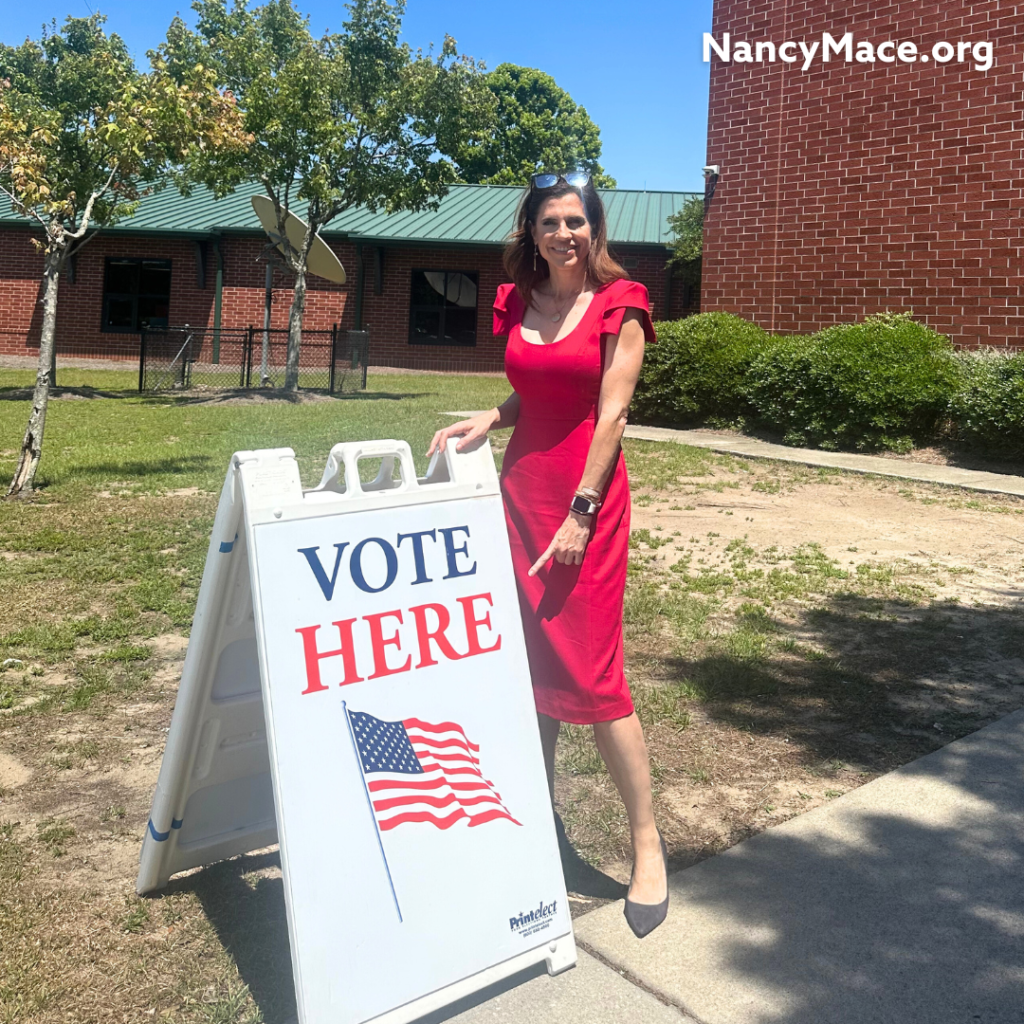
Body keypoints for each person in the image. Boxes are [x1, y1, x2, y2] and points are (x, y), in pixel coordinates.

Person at [428, 171, 668, 938]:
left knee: (593, 677)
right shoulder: (520, 301)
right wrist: (489, 418)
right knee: (526, 672)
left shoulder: (619, 304)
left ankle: (646, 844)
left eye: (576, 221)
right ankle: (542, 829)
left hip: (581, 508)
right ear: (529, 231)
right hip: (520, 499)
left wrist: (582, 514)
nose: (564, 234)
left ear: (595, 229)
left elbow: (613, 411)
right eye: (549, 222)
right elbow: (536, 391)